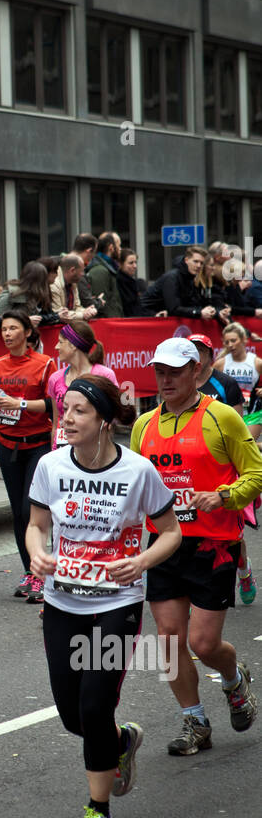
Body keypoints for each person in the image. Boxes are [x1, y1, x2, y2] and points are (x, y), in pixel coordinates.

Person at [27, 376, 181, 818]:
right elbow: (36, 526)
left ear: (105, 421)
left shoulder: (138, 472)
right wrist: (36, 554)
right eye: (64, 409)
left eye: (78, 411)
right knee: (73, 715)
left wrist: (141, 561)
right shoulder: (50, 466)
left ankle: (98, 813)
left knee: (94, 705)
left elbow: (171, 531)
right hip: (62, 600)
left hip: (117, 603)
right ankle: (119, 741)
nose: (66, 419)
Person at [131, 337, 262, 755]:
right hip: (165, 545)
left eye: (174, 372)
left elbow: (256, 474)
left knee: (203, 644)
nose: (165, 380)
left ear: (196, 372)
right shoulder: (144, 424)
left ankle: (232, 678)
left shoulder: (222, 417)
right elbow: (134, 486)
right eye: (159, 372)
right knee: (169, 640)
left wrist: (223, 496)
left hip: (214, 544)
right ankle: (195, 721)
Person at [0, 309, 55, 602]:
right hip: (8, 444)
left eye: (13, 328)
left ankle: (41, 574)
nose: (7, 334)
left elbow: (52, 404)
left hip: (37, 443)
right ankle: (31, 572)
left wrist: (21, 403)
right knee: (17, 513)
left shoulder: (44, 364)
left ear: (27, 332)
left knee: (31, 511)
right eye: (3, 330)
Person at [193, 331, 258, 605]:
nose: (196, 356)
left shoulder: (225, 384)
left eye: (201, 351)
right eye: (191, 351)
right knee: (194, 522)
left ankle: (242, 569)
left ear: (209, 355)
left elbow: (238, 428)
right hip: (193, 462)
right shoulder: (181, 382)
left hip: (223, 465)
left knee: (229, 527)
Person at [47, 321, 118, 447]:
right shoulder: (55, 378)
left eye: (60, 342)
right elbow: (56, 422)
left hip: (93, 451)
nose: (56, 347)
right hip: (62, 451)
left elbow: (112, 419)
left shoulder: (104, 375)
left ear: (73, 345)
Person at [141, 245, 230, 323]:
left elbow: (195, 304)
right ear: (186, 260)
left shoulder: (190, 278)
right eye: (195, 261)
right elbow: (174, 308)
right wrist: (199, 313)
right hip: (146, 318)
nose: (199, 266)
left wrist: (217, 313)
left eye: (201, 263)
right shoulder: (172, 277)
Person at [0, 260, 59, 326]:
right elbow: (0, 320)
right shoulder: (10, 295)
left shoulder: (35, 296)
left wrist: (57, 315)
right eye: (43, 280)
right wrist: (26, 320)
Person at [51, 253, 98, 322]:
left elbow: (76, 307)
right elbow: (59, 314)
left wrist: (87, 311)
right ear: (72, 270)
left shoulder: (73, 282)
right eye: (81, 271)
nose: (83, 274)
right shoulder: (54, 284)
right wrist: (83, 314)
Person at [86, 232, 124, 317]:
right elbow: (101, 305)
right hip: (108, 324)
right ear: (111, 247)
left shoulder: (109, 268)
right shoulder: (100, 271)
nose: (121, 249)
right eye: (119, 245)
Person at [117, 246, 146, 317]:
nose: (135, 266)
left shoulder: (133, 282)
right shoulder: (119, 282)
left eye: (135, 262)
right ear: (120, 264)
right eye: (131, 263)